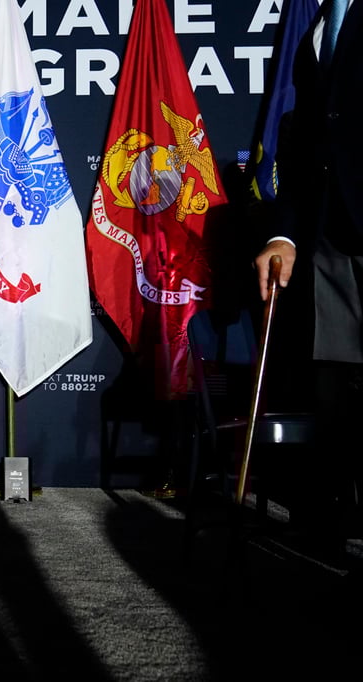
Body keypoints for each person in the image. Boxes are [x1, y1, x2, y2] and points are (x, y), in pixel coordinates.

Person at [253, 0, 362, 556]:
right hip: (326, 241)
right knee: (333, 391)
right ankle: (330, 525)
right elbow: (300, 153)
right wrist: (285, 235)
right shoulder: (315, 28)